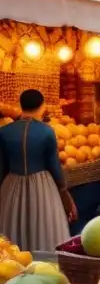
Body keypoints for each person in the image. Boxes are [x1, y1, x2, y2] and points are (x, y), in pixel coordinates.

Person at [0, 90, 75, 252]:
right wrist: (65, 195)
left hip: (12, 185)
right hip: (42, 187)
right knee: (42, 224)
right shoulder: (47, 131)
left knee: (13, 228)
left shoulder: (4, 132)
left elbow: (2, 167)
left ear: (21, 106)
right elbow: (54, 165)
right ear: (42, 106)